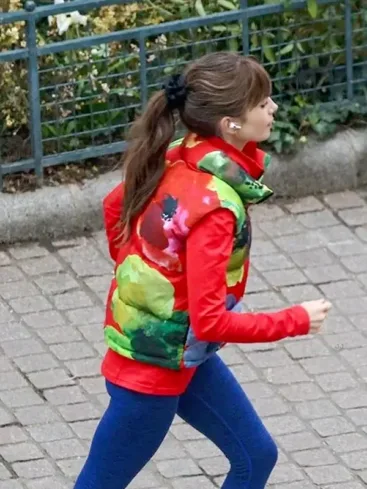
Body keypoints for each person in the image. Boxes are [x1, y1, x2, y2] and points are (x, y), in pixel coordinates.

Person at [73, 52, 331, 489]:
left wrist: (145, 272)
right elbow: (211, 321)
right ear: (230, 123)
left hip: (177, 353)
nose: (273, 109)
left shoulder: (184, 152)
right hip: (152, 377)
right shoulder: (215, 209)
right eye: (263, 102)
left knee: (256, 455)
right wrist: (297, 320)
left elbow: (114, 206)